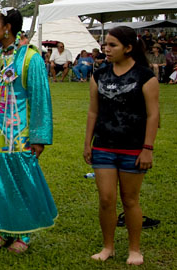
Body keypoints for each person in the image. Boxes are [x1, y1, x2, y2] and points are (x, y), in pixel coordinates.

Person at [0, 8, 57, 253]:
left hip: (19, 136)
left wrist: (39, 138)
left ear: (7, 27)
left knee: (21, 183)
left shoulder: (30, 58)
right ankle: (5, 231)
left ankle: (25, 235)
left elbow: (40, 100)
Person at [84, 26, 159, 266]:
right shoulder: (99, 75)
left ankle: (134, 249)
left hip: (133, 149)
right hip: (104, 147)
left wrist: (147, 148)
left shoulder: (145, 76)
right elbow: (93, 111)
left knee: (130, 200)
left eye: (112, 45)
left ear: (128, 48)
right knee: (106, 199)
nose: (106, 48)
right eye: (105, 44)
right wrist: (88, 144)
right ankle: (108, 247)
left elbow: (153, 115)